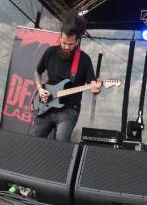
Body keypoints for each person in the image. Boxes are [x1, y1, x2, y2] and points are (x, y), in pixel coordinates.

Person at [29, 10, 100, 141]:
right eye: (63, 43)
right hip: (46, 105)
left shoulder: (84, 60)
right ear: (60, 38)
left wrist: (96, 89)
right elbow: (37, 71)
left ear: (77, 41)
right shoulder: (51, 52)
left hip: (68, 110)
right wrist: (40, 89)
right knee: (33, 141)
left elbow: (92, 85)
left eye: (70, 44)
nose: (66, 47)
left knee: (61, 143)